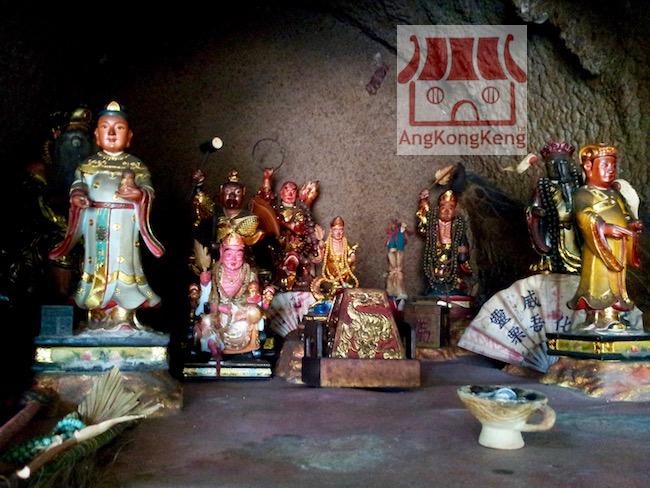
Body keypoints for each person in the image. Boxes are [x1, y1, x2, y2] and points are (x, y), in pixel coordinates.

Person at [49, 101, 165, 331]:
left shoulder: (136, 165)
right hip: (96, 222)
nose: (111, 133)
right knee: (96, 264)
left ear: (129, 136)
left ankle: (125, 313)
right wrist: (78, 196)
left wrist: (138, 195)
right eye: (105, 127)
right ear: (96, 135)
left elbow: (148, 191)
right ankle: (96, 312)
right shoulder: (89, 164)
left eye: (119, 128)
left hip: (125, 225)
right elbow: (78, 185)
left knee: (124, 263)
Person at [567, 143, 643, 330]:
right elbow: (583, 215)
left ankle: (614, 314)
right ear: (588, 167)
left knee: (617, 283)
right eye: (605, 165)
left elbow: (625, 215)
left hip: (617, 247)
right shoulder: (583, 193)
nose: (611, 170)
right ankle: (597, 317)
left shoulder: (615, 194)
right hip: (598, 248)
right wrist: (605, 228)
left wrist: (631, 225)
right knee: (598, 282)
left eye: (613, 166)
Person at [193, 231, 274, 358]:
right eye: (229, 254)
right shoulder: (215, 272)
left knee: (254, 313)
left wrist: (256, 298)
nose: (233, 259)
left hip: (242, 313)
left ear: (244, 255)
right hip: (219, 313)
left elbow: (255, 300)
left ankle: (252, 346)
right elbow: (206, 303)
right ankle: (212, 348)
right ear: (221, 253)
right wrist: (205, 285)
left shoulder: (249, 273)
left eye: (238, 254)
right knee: (206, 321)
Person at [526, 141, 583, 274]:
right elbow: (533, 206)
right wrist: (535, 211)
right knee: (554, 251)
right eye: (551, 164)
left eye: (562, 162)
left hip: (576, 229)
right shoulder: (543, 186)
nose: (557, 167)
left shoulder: (578, 181)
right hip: (555, 229)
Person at [416, 188, 472, 297]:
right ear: (438, 209)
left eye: (450, 208)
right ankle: (434, 286)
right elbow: (423, 224)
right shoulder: (433, 223)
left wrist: (462, 253)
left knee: (453, 270)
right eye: (443, 208)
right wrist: (424, 201)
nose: (447, 211)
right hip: (436, 252)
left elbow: (463, 242)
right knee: (435, 271)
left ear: (455, 211)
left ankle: (454, 284)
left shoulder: (458, 225)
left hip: (452, 253)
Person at [312, 216, 359, 300]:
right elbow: (321, 252)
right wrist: (321, 245)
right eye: (335, 230)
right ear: (331, 231)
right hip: (331, 273)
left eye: (340, 230)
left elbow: (350, 251)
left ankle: (342, 291)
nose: (338, 233)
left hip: (344, 273)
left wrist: (351, 255)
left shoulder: (345, 243)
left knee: (349, 265)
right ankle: (333, 293)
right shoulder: (328, 244)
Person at [385, 219, 410, 299]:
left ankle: (399, 291)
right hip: (394, 249)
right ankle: (392, 291)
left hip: (398, 249)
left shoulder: (399, 234)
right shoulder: (393, 234)